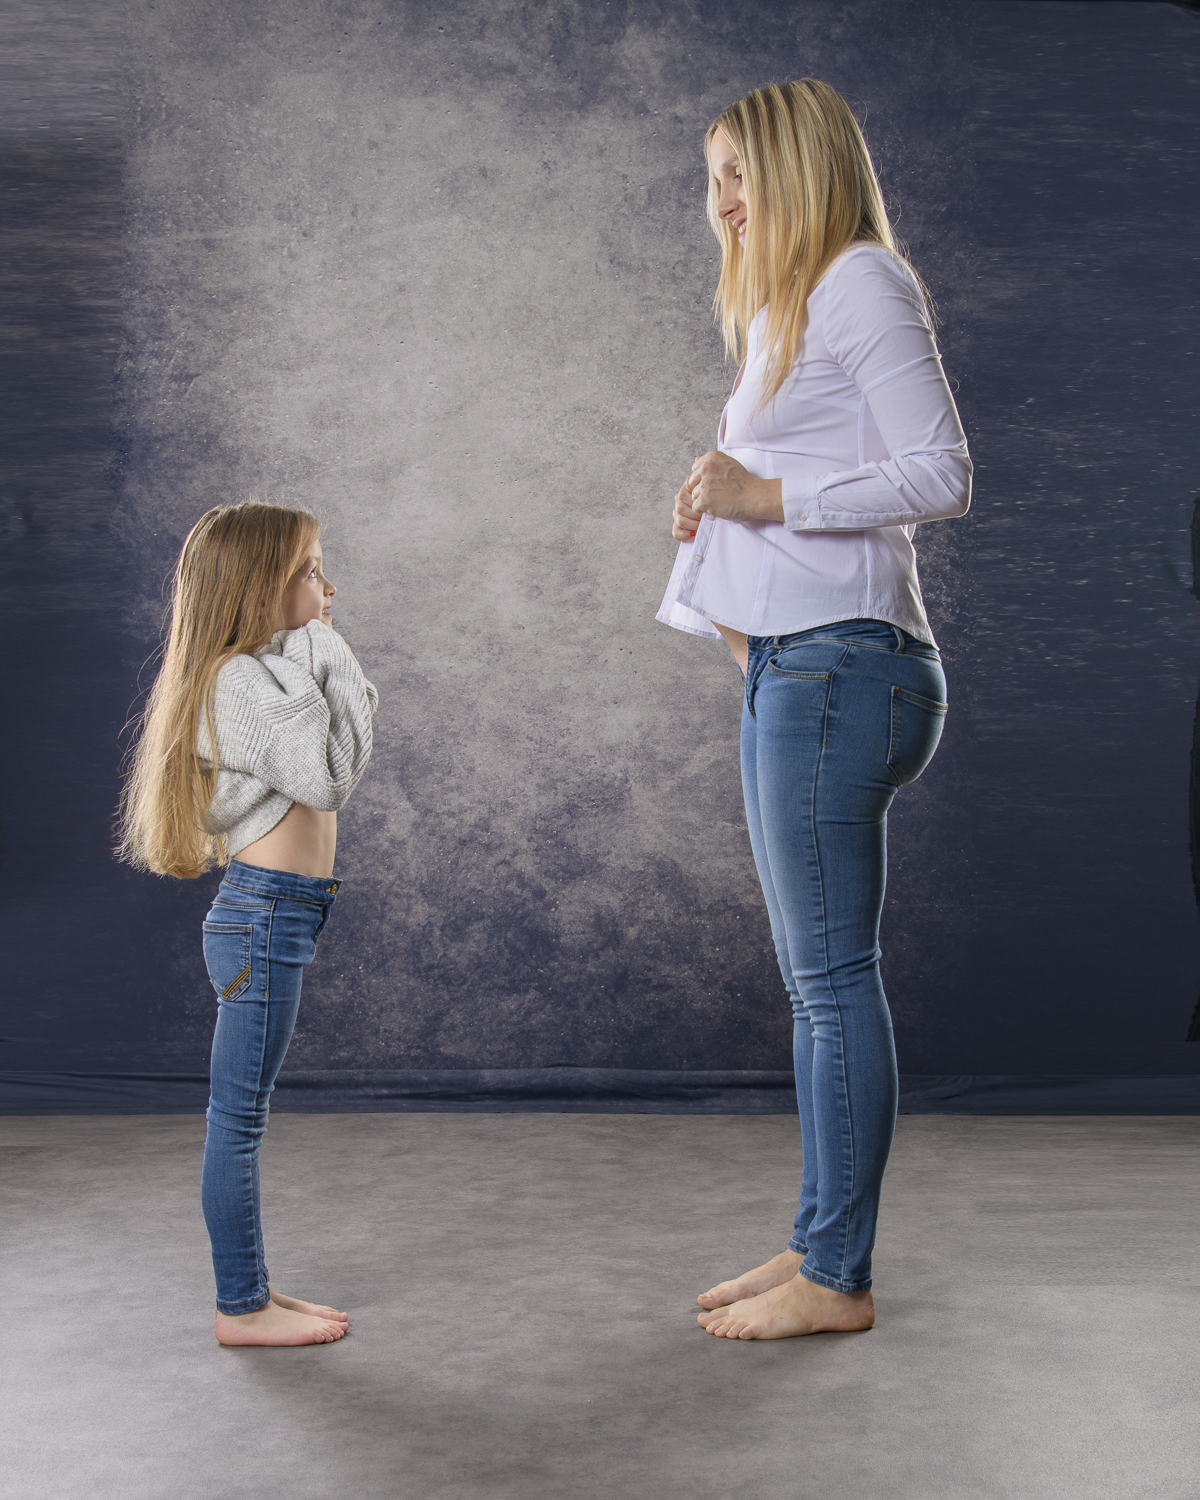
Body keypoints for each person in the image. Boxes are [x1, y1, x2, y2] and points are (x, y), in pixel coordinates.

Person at [658, 79, 971, 1339]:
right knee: (817, 989)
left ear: (804, 171)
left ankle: (838, 1278)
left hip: (844, 672)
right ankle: (815, 1245)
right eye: (713, 178)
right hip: (804, 669)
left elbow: (941, 471)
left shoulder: (857, 281)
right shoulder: (790, 312)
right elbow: (785, 489)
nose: (723, 201)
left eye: (743, 173)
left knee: (832, 986)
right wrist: (717, 502)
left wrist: (763, 494)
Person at [119, 501, 378, 1346]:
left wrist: (308, 645)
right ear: (260, 585)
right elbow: (330, 771)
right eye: (309, 572)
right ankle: (242, 1307)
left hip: (280, 914)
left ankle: (254, 1289)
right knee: (237, 1121)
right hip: (263, 917)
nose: (328, 587)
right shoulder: (239, 681)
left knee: (244, 1116)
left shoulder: (264, 674)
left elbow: (343, 741)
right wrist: (322, 642)